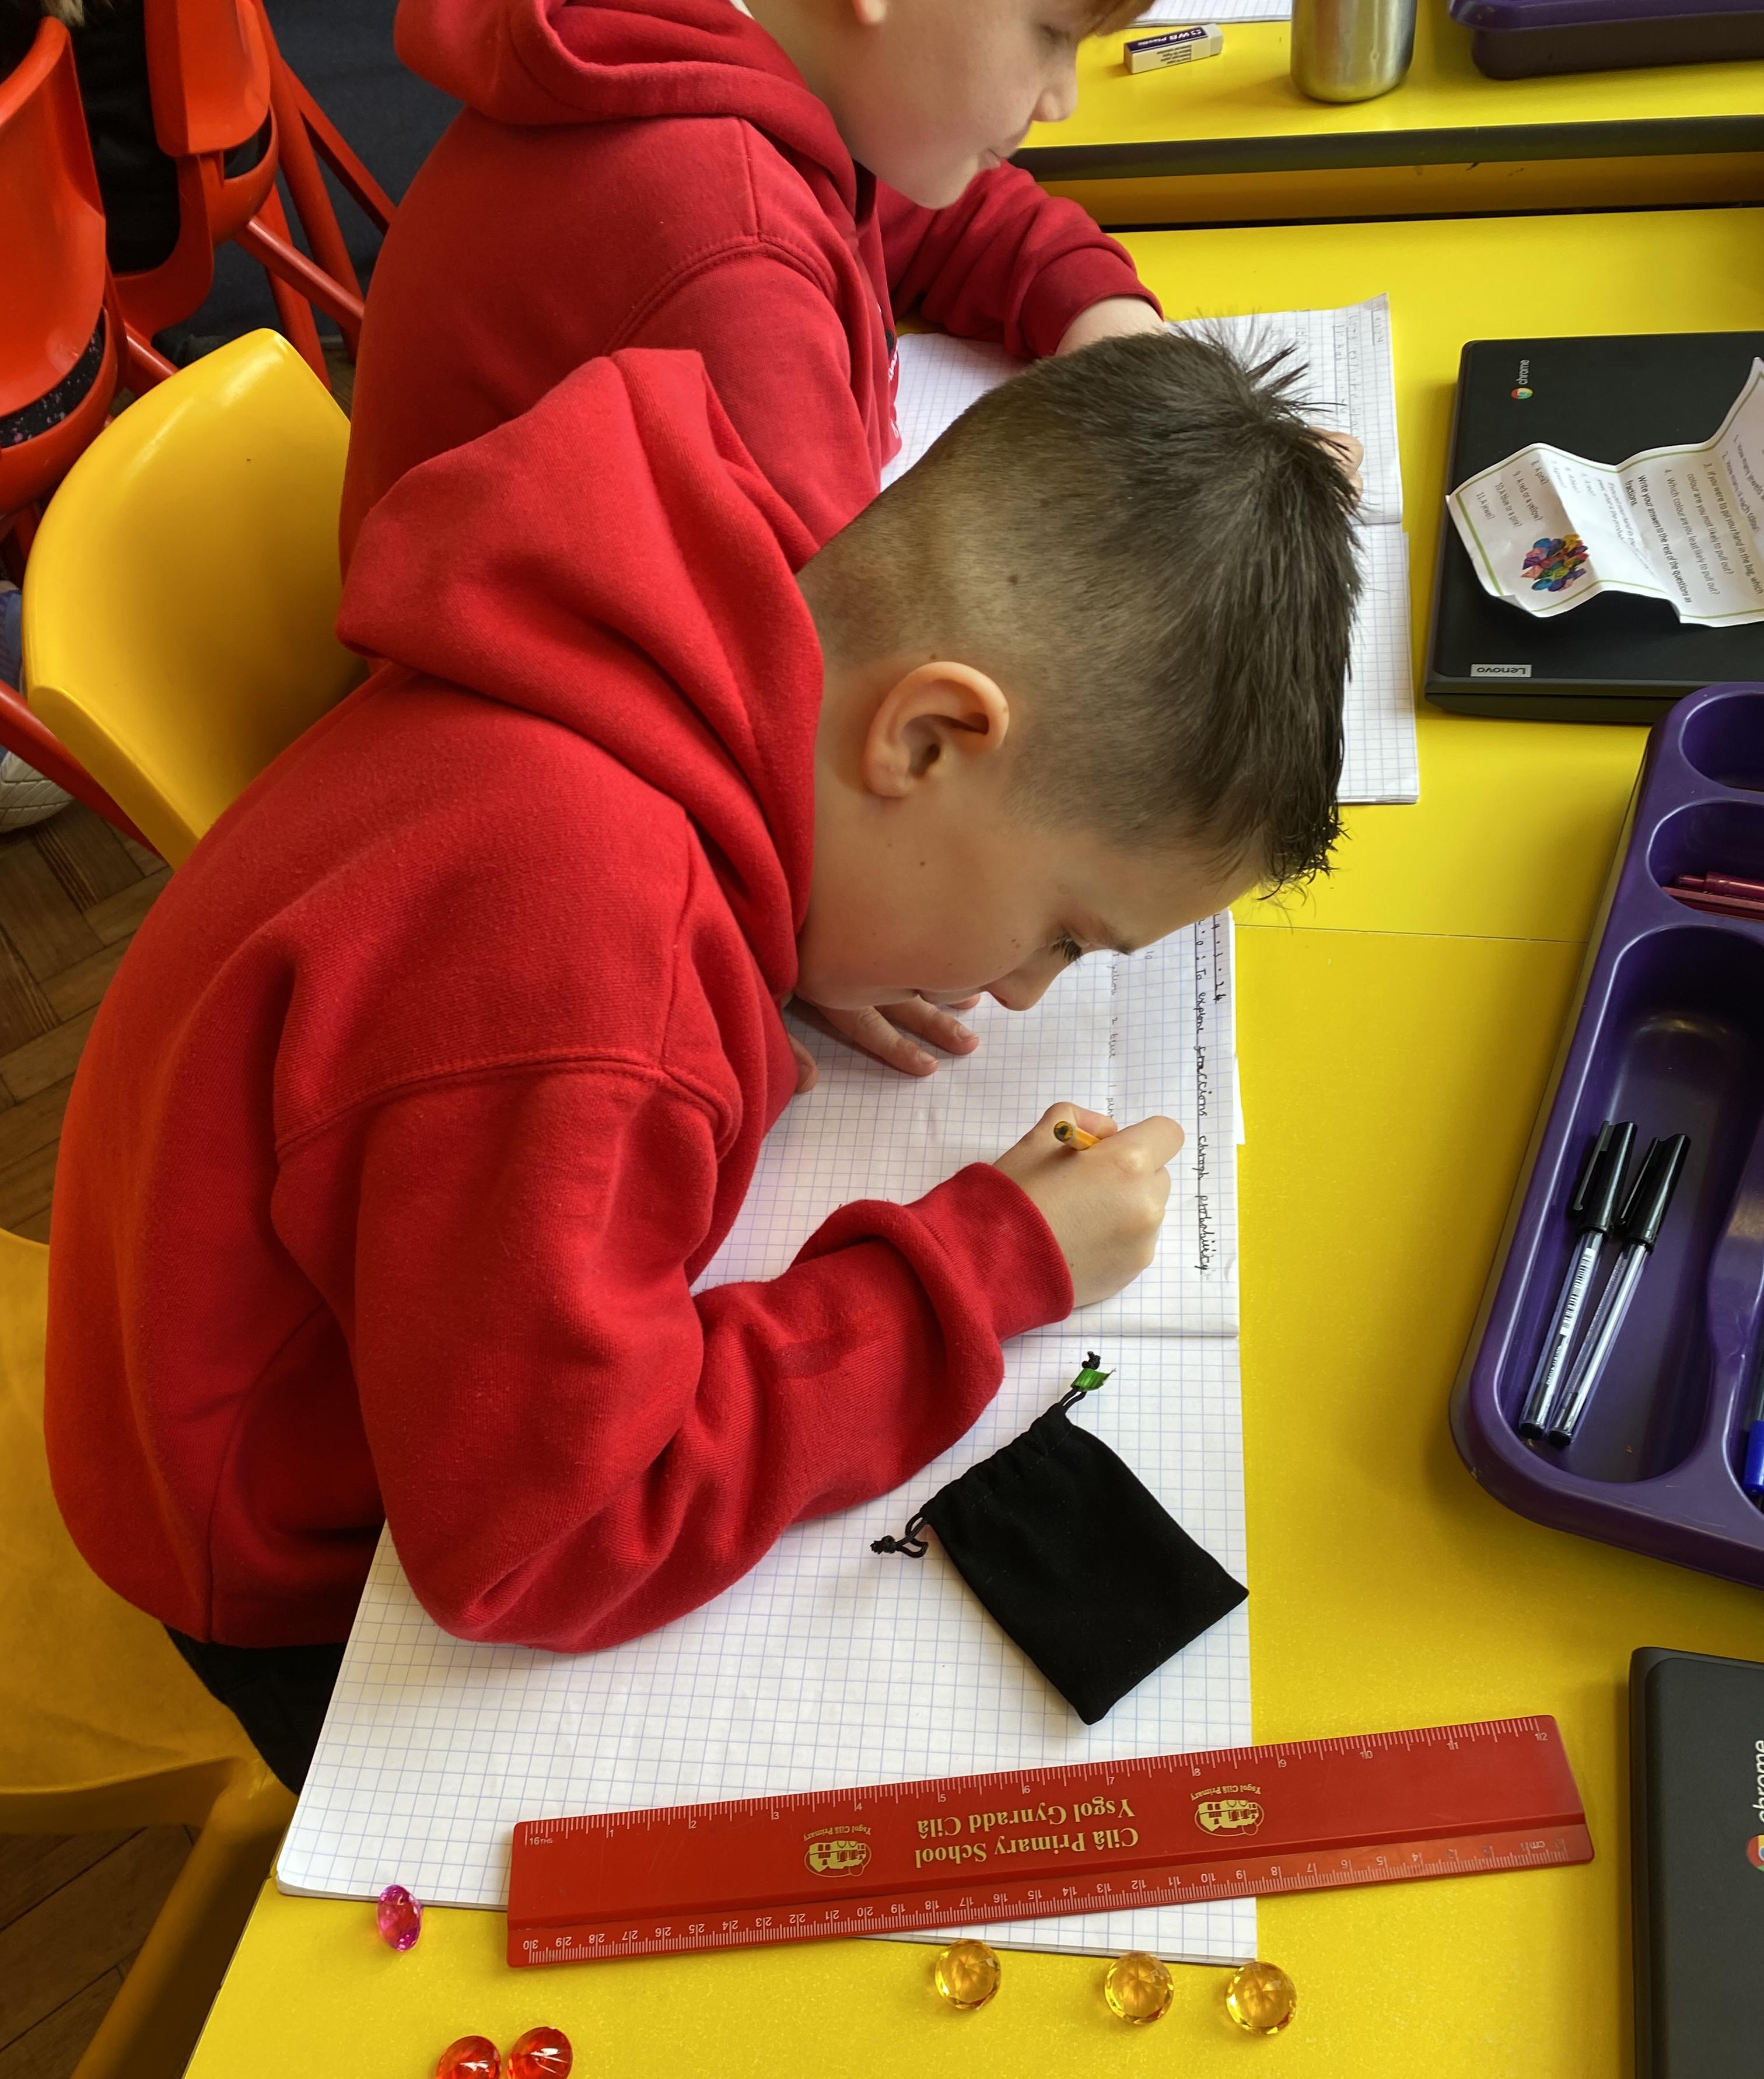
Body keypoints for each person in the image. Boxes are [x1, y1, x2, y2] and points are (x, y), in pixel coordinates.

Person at [45, 331, 1359, 1793]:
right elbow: (556, 1537)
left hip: (293, 1332)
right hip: (281, 1565)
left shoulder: (707, 615)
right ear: (927, 737)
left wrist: (789, 936)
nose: (1015, 989)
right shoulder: (583, 968)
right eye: (1063, 932)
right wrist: (987, 1268)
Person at [341, 0, 1166, 572]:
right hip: (555, 747)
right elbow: (845, 666)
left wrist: (1111, 328)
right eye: (1053, 34)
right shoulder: (735, 250)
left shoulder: (744, 69)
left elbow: (937, 214)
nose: (1063, 98)